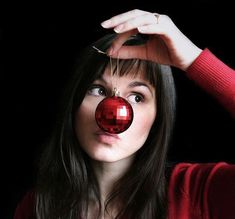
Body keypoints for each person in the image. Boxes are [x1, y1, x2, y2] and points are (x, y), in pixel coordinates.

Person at [14, 9, 235, 219]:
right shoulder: (37, 206)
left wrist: (192, 60)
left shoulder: (200, 191)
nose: (113, 112)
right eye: (98, 90)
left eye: (137, 97)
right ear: (74, 104)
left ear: (158, 117)